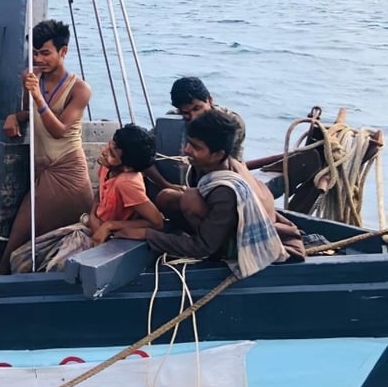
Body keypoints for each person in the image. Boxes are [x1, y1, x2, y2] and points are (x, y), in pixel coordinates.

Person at [116, 111, 303, 278]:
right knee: (169, 195)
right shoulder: (219, 165)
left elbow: (202, 247)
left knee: (187, 198)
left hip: (241, 246)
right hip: (228, 226)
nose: (187, 150)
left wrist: (147, 235)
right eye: (189, 143)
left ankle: (211, 251)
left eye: (196, 148)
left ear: (217, 154)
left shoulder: (225, 190)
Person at [0, 19, 95, 272]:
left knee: (20, 232)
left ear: (63, 51)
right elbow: (31, 112)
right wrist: (15, 116)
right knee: (35, 234)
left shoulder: (80, 89)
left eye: (45, 53)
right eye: (34, 53)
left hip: (66, 170)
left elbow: (59, 130)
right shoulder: (31, 78)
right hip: (40, 167)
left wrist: (37, 95)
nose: (38, 59)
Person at [10, 124, 165, 273]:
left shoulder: (127, 183)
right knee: (22, 258)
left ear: (127, 167)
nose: (104, 152)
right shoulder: (107, 166)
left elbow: (156, 221)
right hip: (90, 226)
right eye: (108, 146)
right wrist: (92, 215)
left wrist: (110, 226)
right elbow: (98, 195)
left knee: (57, 269)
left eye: (112, 155)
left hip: (109, 239)